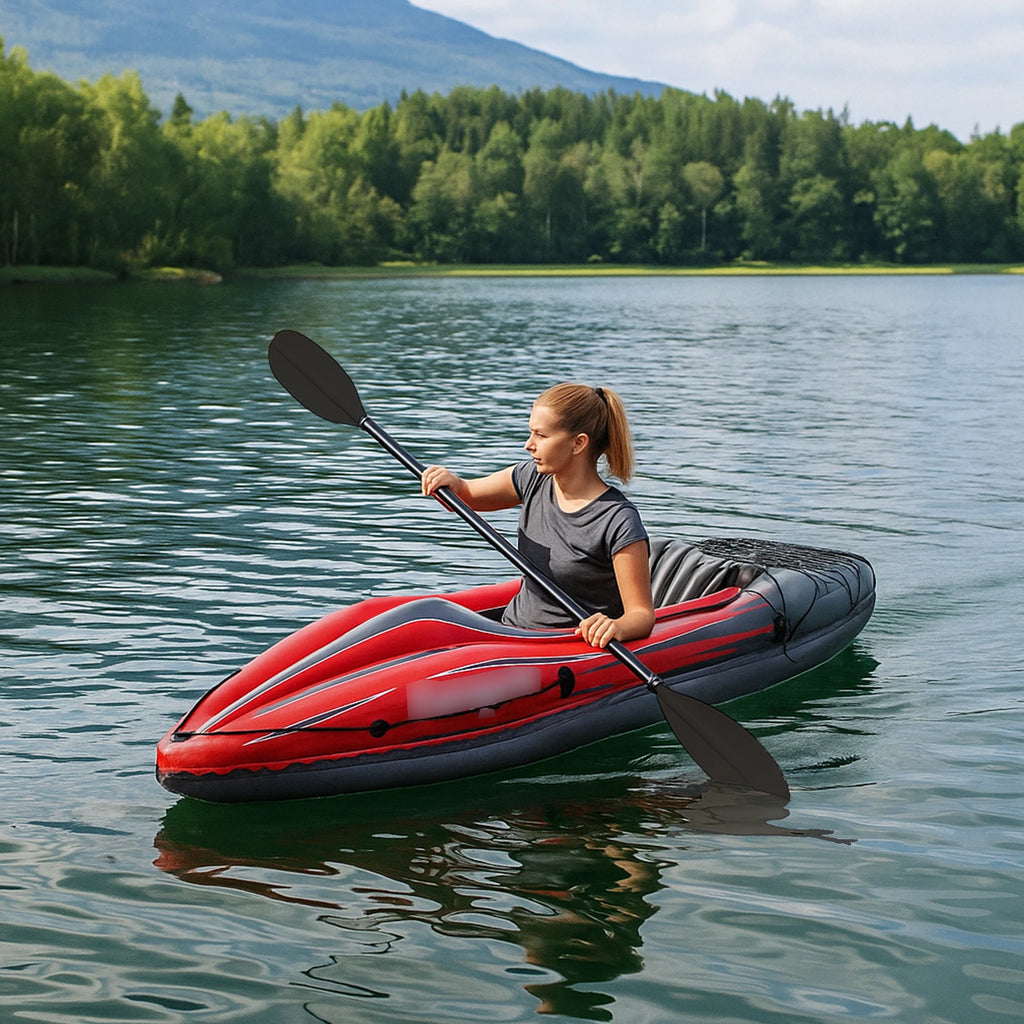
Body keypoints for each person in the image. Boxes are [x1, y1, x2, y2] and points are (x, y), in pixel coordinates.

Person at [421, 383, 655, 649]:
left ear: (578, 443)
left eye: (540, 436)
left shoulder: (617, 520)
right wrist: (450, 481)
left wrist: (617, 626)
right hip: (509, 633)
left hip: (558, 649)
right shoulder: (531, 478)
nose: (528, 445)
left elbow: (641, 615)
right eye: (530, 433)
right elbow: (466, 495)